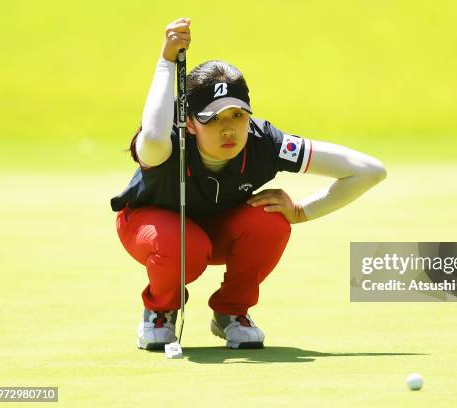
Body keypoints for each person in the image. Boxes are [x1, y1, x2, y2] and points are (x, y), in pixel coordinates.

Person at [110, 17, 387, 350]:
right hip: (151, 227)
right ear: (190, 122)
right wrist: (166, 60)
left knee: (271, 219)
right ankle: (160, 310)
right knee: (184, 244)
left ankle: (231, 312)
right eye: (214, 119)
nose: (229, 129)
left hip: (216, 228)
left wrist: (302, 211)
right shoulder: (166, 143)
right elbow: (152, 132)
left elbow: (369, 170)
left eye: (238, 116)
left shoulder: (263, 142)